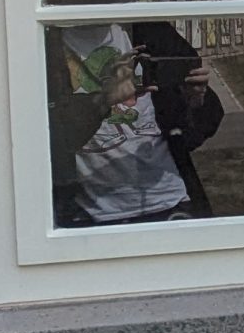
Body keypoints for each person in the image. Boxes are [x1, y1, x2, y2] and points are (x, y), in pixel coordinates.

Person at [48, 21, 223, 226]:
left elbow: (204, 120)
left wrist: (195, 102)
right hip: (89, 212)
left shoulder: (148, 31)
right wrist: (102, 101)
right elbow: (46, 141)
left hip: (169, 200)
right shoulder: (44, 44)